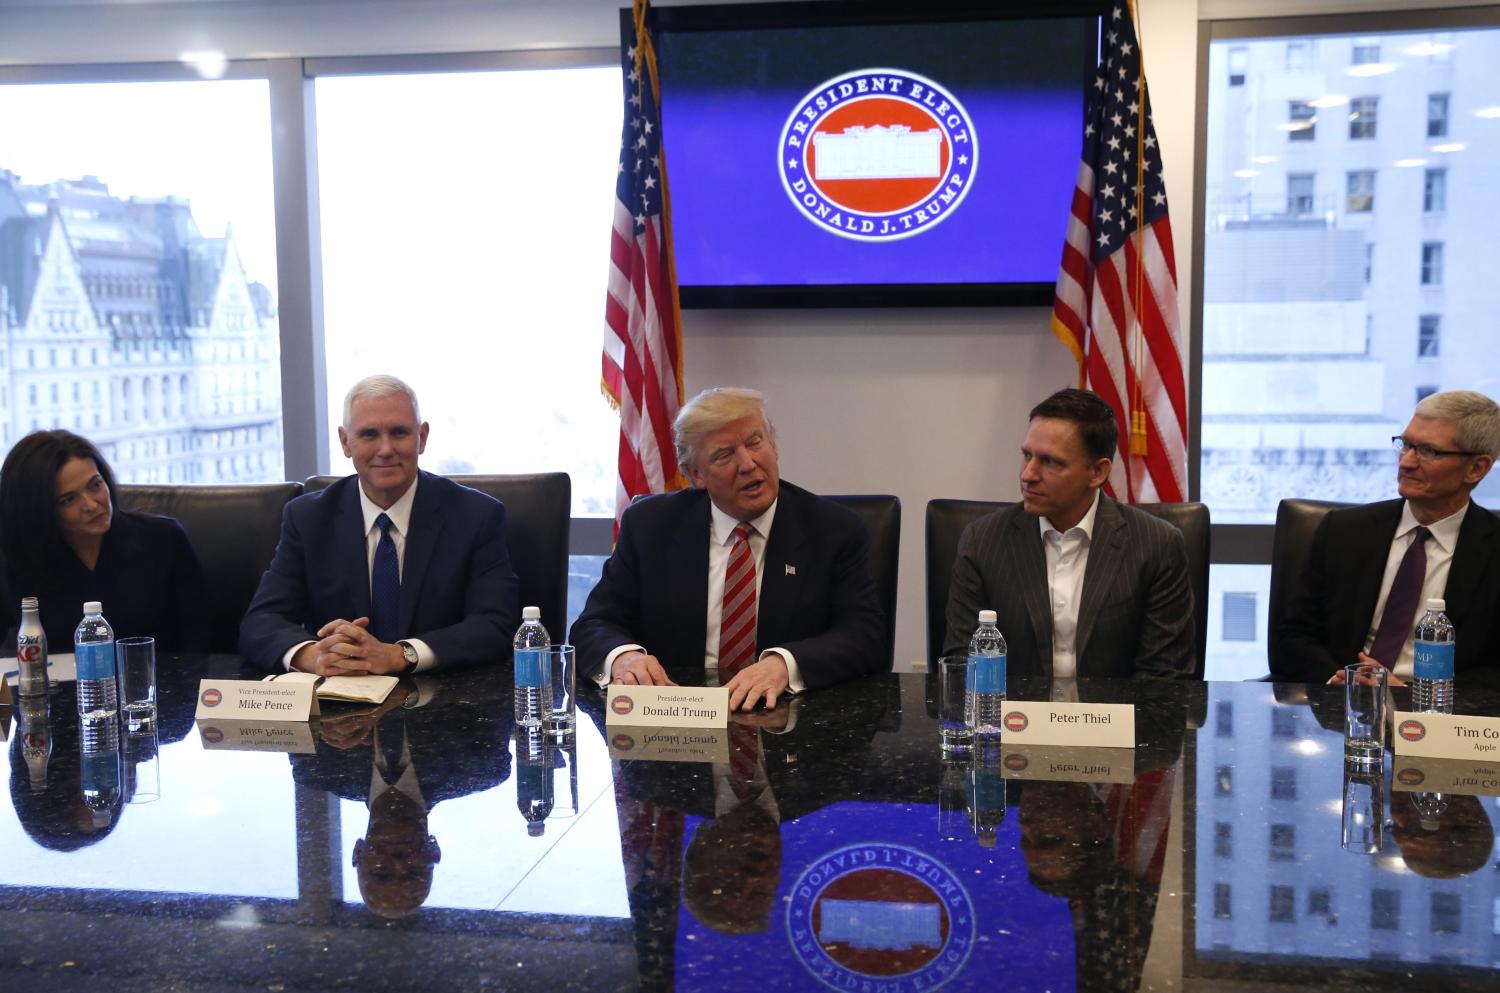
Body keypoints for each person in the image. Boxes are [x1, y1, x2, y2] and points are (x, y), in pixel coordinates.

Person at [569, 386, 886, 709]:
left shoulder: (833, 530)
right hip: (676, 724)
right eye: (724, 455)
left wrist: (785, 665)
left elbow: (864, 634)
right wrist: (624, 659)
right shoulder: (651, 526)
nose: (747, 464)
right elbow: (595, 624)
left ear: (773, 445)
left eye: (754, 442)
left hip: (788, 725)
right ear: (695, 475)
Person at [239, 374, 518, 675]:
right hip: (341, 705)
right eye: (369, 435)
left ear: (422, 438)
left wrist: (401, 655)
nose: (385, 449)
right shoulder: (308, 518)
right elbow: (261, 621)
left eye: (399, 433)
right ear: (346, 442)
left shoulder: (476, 516)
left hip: (440, 702)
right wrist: (314, 656)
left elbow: (495, 625)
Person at [942, 388, 1194, 679]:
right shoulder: (982, 541)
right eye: (1027, 455)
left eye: (1050, 462)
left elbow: (1163, 680)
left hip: (1114, 722)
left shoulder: (1157, 546)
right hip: (1013, 721)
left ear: (1098, 472)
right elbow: (963, 665)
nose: (1028, 474)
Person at [1277, 390, 1500, 688]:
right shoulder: (1343, 531)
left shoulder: (1493, 547)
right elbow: (1292, 635)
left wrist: (1415, 695)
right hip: (1340, 707)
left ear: (1476, 468)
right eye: (1406, 444)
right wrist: (1340, 682)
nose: (1406, 462)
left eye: (1428, 451)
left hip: (1444, 718)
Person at [0, 429, 207, 651]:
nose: (91, 504)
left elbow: (198, 644)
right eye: (69, 499)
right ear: (38, 511)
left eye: (95, 485)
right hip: (55, 685)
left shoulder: (164, 539)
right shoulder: (13, 563)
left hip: (155, 683)